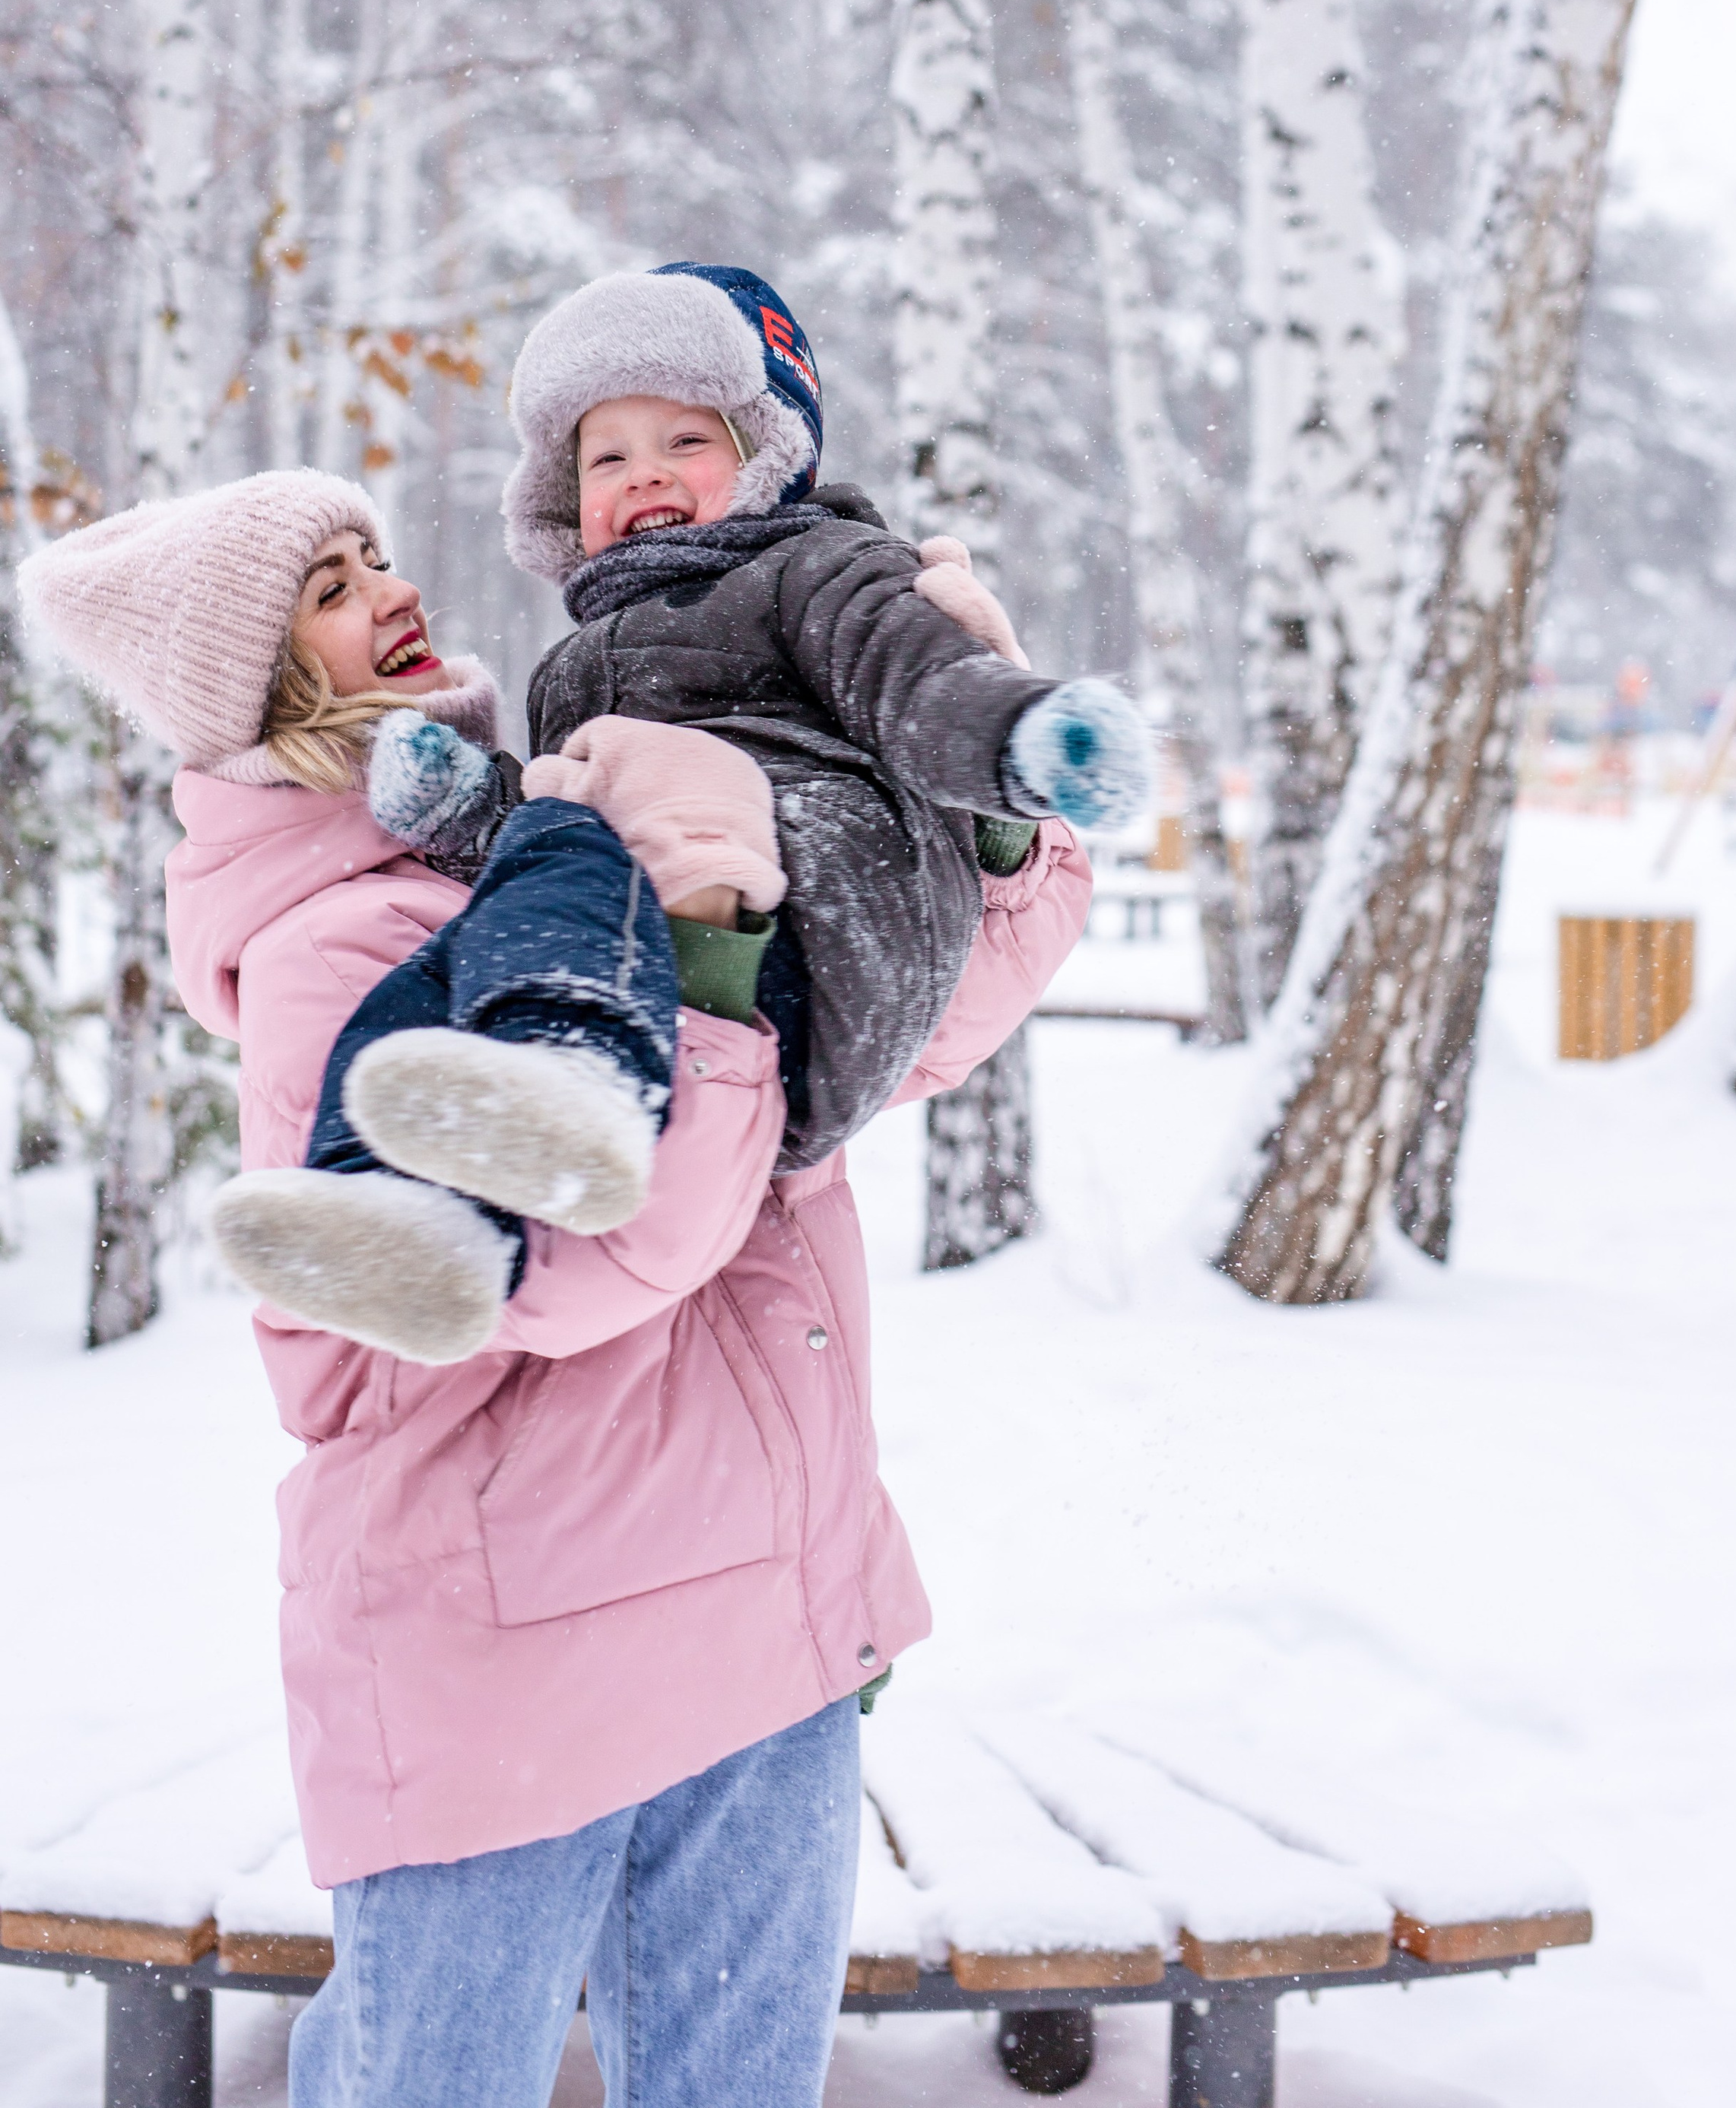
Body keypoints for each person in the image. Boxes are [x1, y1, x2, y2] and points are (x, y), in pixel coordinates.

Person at [21, 463, 1093, 2107]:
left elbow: (900, 1035)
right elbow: (592, 1265)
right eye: (326, 585)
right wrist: (717, 949)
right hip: (504, 1664)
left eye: (376, 553)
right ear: (263, 677)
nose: (387, 586)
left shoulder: (551, 836)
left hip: (763, 1626)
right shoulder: (339, 941)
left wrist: (982, 803)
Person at [189, 262, 1150, 1362]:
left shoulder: (818, 568)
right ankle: (390, 1203)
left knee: (566, 833)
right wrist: (474, 810)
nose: (643, 474)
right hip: (719, 976)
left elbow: (915, 674)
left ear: (764, 456)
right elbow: (570, 880)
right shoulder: (569, 674)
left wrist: (1018, 742)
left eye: (684, 442)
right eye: (607, 456)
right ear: (566, 499)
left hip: (828, 910)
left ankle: (579, 1064)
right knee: (460, 960)